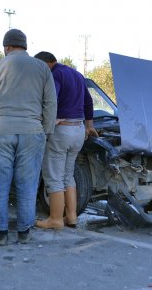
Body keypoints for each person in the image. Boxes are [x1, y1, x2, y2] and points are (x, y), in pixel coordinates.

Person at [0, 29, 57, 246]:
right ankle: (24, 231)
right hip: (32, 131)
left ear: (6, 47)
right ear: (25, 46)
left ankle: (0, 233)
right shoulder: (42, 68)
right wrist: (46, 131)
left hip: (0, 130)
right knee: (27, 184)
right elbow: (50, 103)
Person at [33, 51, 98, 229]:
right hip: (78, 130)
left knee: (53, 177)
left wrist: (49, 120)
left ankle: (55, 219)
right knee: (68, 175)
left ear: (44, 64)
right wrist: (89, 125)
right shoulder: (77, 74)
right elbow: (89, 102)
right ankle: (71, 216)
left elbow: (51, 100)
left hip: (62, 130)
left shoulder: (55, 74)